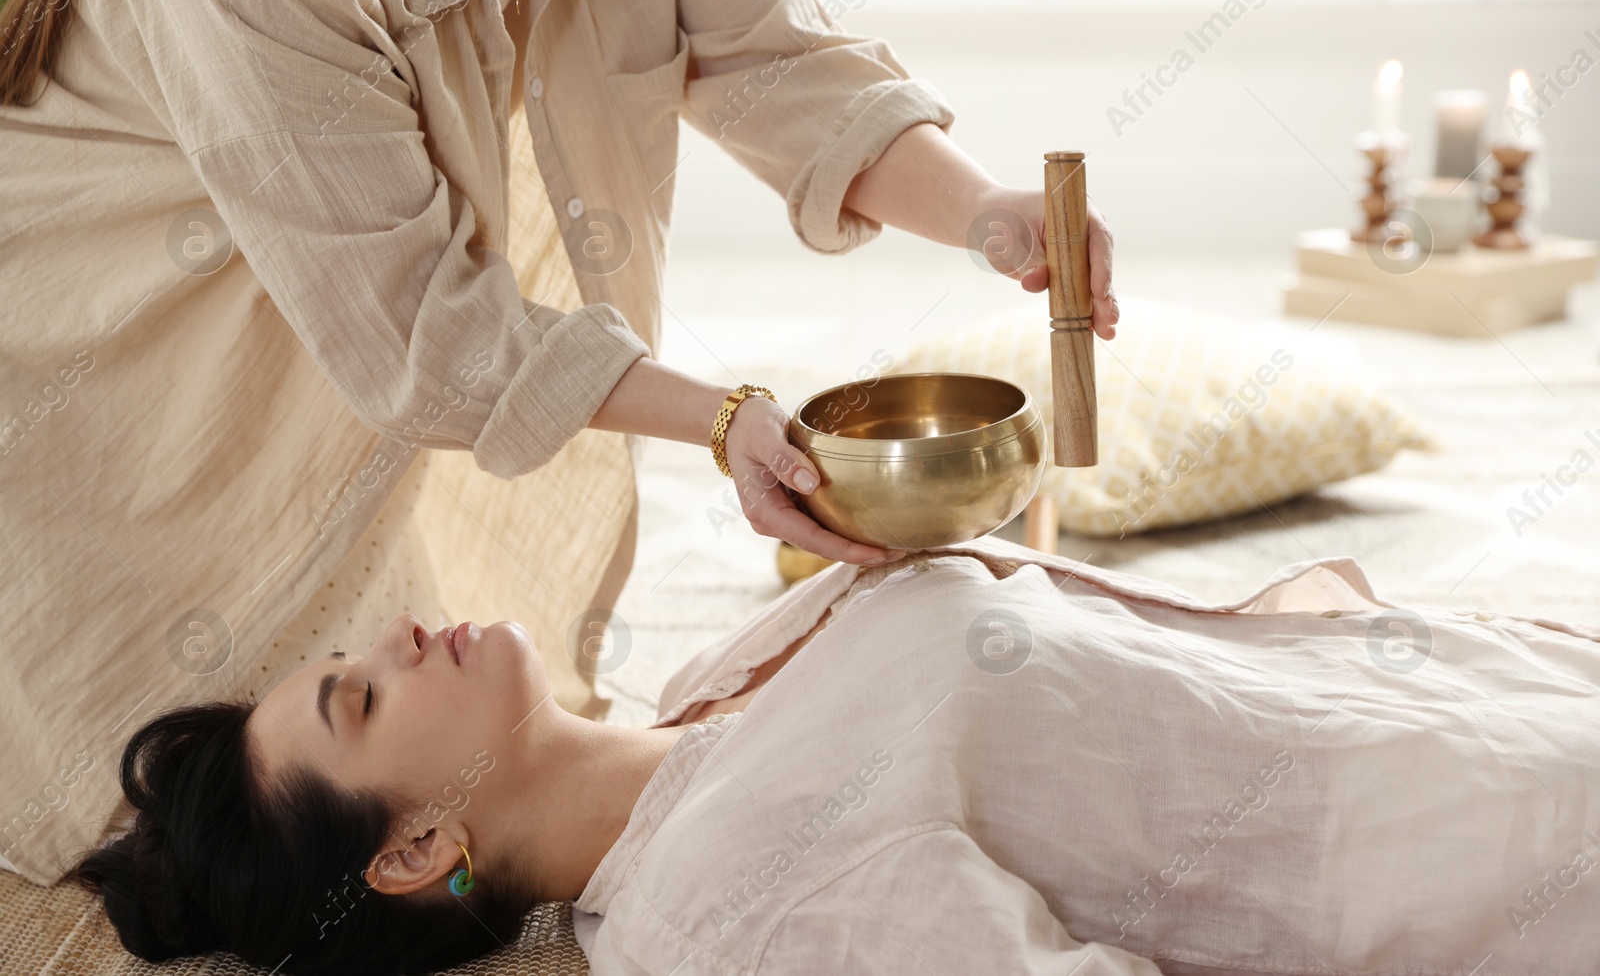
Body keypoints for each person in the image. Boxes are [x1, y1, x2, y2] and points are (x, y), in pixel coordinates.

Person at [0, 0, 1117, 885]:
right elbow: (427, 334)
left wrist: (990, 215)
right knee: (227, 816)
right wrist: (724, 421)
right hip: (99, 374)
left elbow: (772, 60)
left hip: (344, 333)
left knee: (437, 744)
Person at [71, 534, 1600, 974]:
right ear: (411, 850)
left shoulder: (704, 677)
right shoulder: (729, 907)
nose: (400, 630)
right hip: (1490, 839)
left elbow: (1037, 646)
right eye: (360, 694)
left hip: (1470, 674)